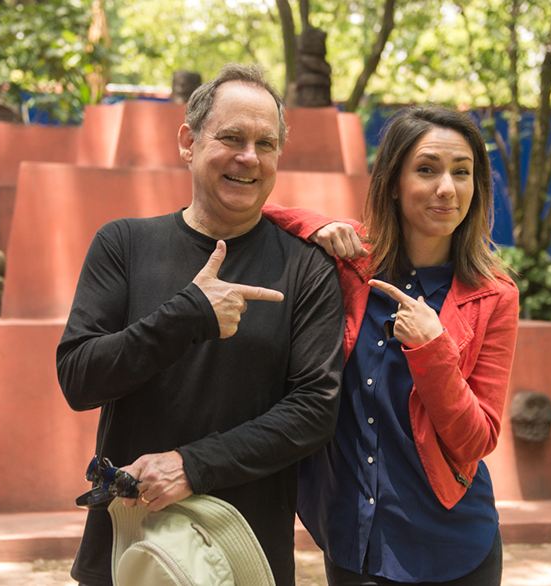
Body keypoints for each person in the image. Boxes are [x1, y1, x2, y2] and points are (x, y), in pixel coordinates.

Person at [55, 64, 345, 586]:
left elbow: (315, 411)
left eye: (266, 143)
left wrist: (192, 465)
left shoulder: (307, 267)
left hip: (244, 552)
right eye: (231, 137)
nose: (249, 158)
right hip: (128, 549)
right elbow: (79, 379)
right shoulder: (123, 244)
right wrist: (186, 314)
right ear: (189, 142)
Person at [263, 105, 519, 585]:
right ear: (393, 181)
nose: (447, 188)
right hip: (352, 536)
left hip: (452, 545)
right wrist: (314, 225)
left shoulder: (494, 294)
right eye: (427, 170)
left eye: (462, 173)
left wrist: (433, 350)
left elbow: (478, 439)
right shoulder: (352, 263)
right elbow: (255, 212)